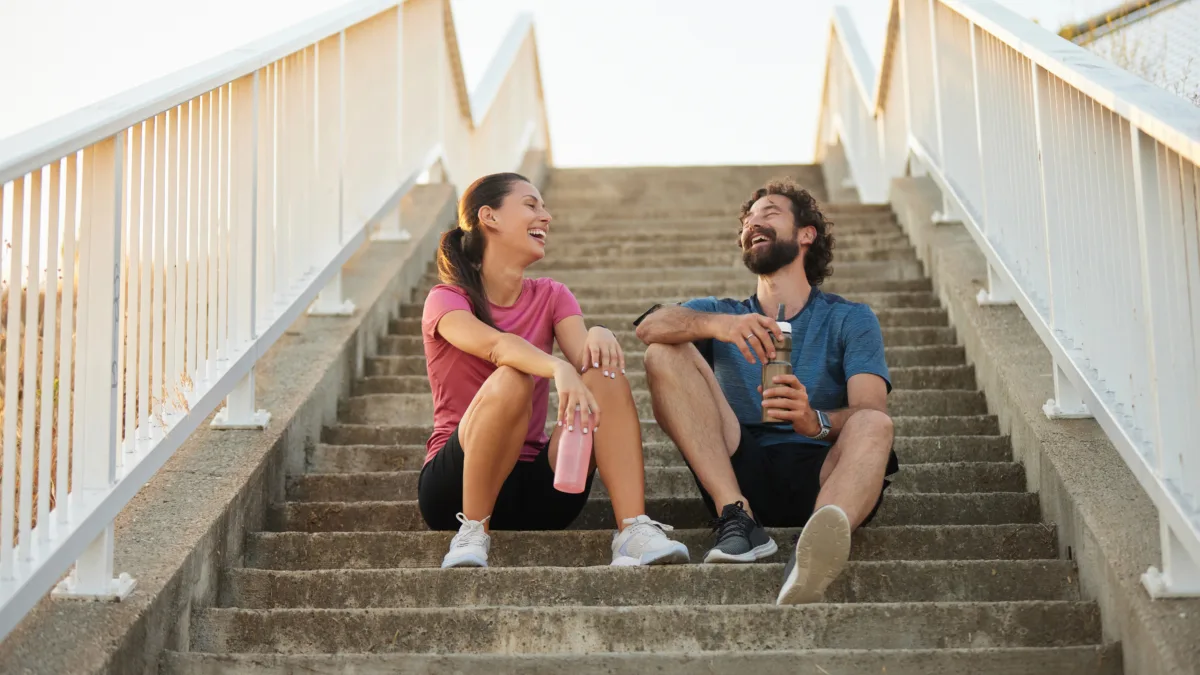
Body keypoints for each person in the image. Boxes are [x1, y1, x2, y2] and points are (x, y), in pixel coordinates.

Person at [635, 178, 899, 604]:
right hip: (740, 468)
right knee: (662, 355)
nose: (753, 223)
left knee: (874, 423)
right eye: (747, 220)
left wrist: (813, 420)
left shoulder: (851, 318)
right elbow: (649, 328)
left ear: (806, 234)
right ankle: (737, 519)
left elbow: (871, 410)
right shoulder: (721, 313)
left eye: (769, 213)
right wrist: (720, 326)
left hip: (823, 474)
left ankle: (814, 551)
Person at [419, 172, 689, 569]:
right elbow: (497, 347)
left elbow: (588, 362)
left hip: (541, 492)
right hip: (455, 491)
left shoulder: (552, 295)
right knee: (512, 376)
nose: (546, 216)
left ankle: (632, 530)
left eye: (543, 207)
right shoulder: (446, 299)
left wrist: (598, 333)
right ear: (489, 217)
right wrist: (556, 368)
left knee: (604, 373)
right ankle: (473, 532)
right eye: (531, 205)